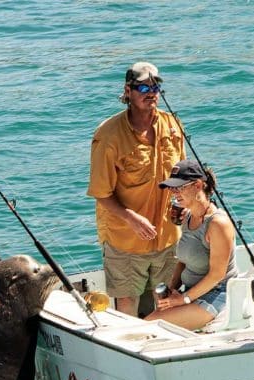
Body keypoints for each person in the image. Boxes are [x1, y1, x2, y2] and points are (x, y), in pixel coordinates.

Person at [88, 61, 186, 317]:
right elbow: (101, 193)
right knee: (128, 303)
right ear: (128, 91)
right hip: (126, 240)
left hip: (168, 235)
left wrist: (189, 209)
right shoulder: (108, 135)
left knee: (166, 298)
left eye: (155, 86)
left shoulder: (173, 125)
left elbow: (184, 175)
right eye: (143, 87)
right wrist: (132, 218)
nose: (150, 92)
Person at [145, 160, 236, 330]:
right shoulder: (188, 217)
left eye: (180, 187)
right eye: (172, 188)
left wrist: (183, 299)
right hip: (190, 291)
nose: (174, 193)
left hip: (218, 295)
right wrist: (172, 290)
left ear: (198, 185)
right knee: (150, 322)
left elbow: (217, 275)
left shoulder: (218, 224)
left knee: (149, 326)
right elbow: (183, 261)